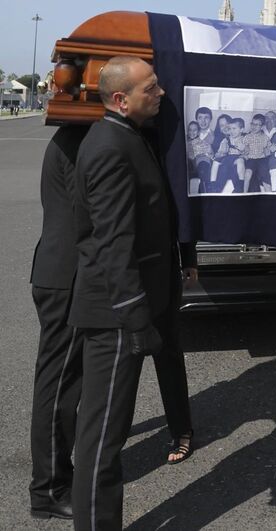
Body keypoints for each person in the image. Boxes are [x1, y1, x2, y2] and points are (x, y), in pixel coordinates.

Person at [68, 55, 196, 531]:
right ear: (121, 100)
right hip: (116, 314)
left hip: (140, 303)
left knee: (107, 436)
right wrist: (135, 319)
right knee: (103, 440)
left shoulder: (130, 137)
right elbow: (112, 245)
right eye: (151, 89)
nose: (161, 94)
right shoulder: (108, 149)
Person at [28, 125, 90, 521]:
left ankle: (60, 474)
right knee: (59, 388)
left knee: (62, 383)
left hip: (58, 269)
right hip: (67, 277)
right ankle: (48, 489)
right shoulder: (82, 139)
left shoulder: (74, 133)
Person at [241, 113, 272, 193]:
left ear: (262, 127)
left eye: (257, 125)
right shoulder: (247, 137)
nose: (253, 126)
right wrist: (245, 149)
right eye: (252, 124)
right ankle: (244, 193)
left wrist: (270, 150)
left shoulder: (265, 137)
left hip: (262, 160)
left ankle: (270, 195)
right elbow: (242, 148)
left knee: (265, 179)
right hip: (251, 159)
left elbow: (269, 150)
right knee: (247, 173)